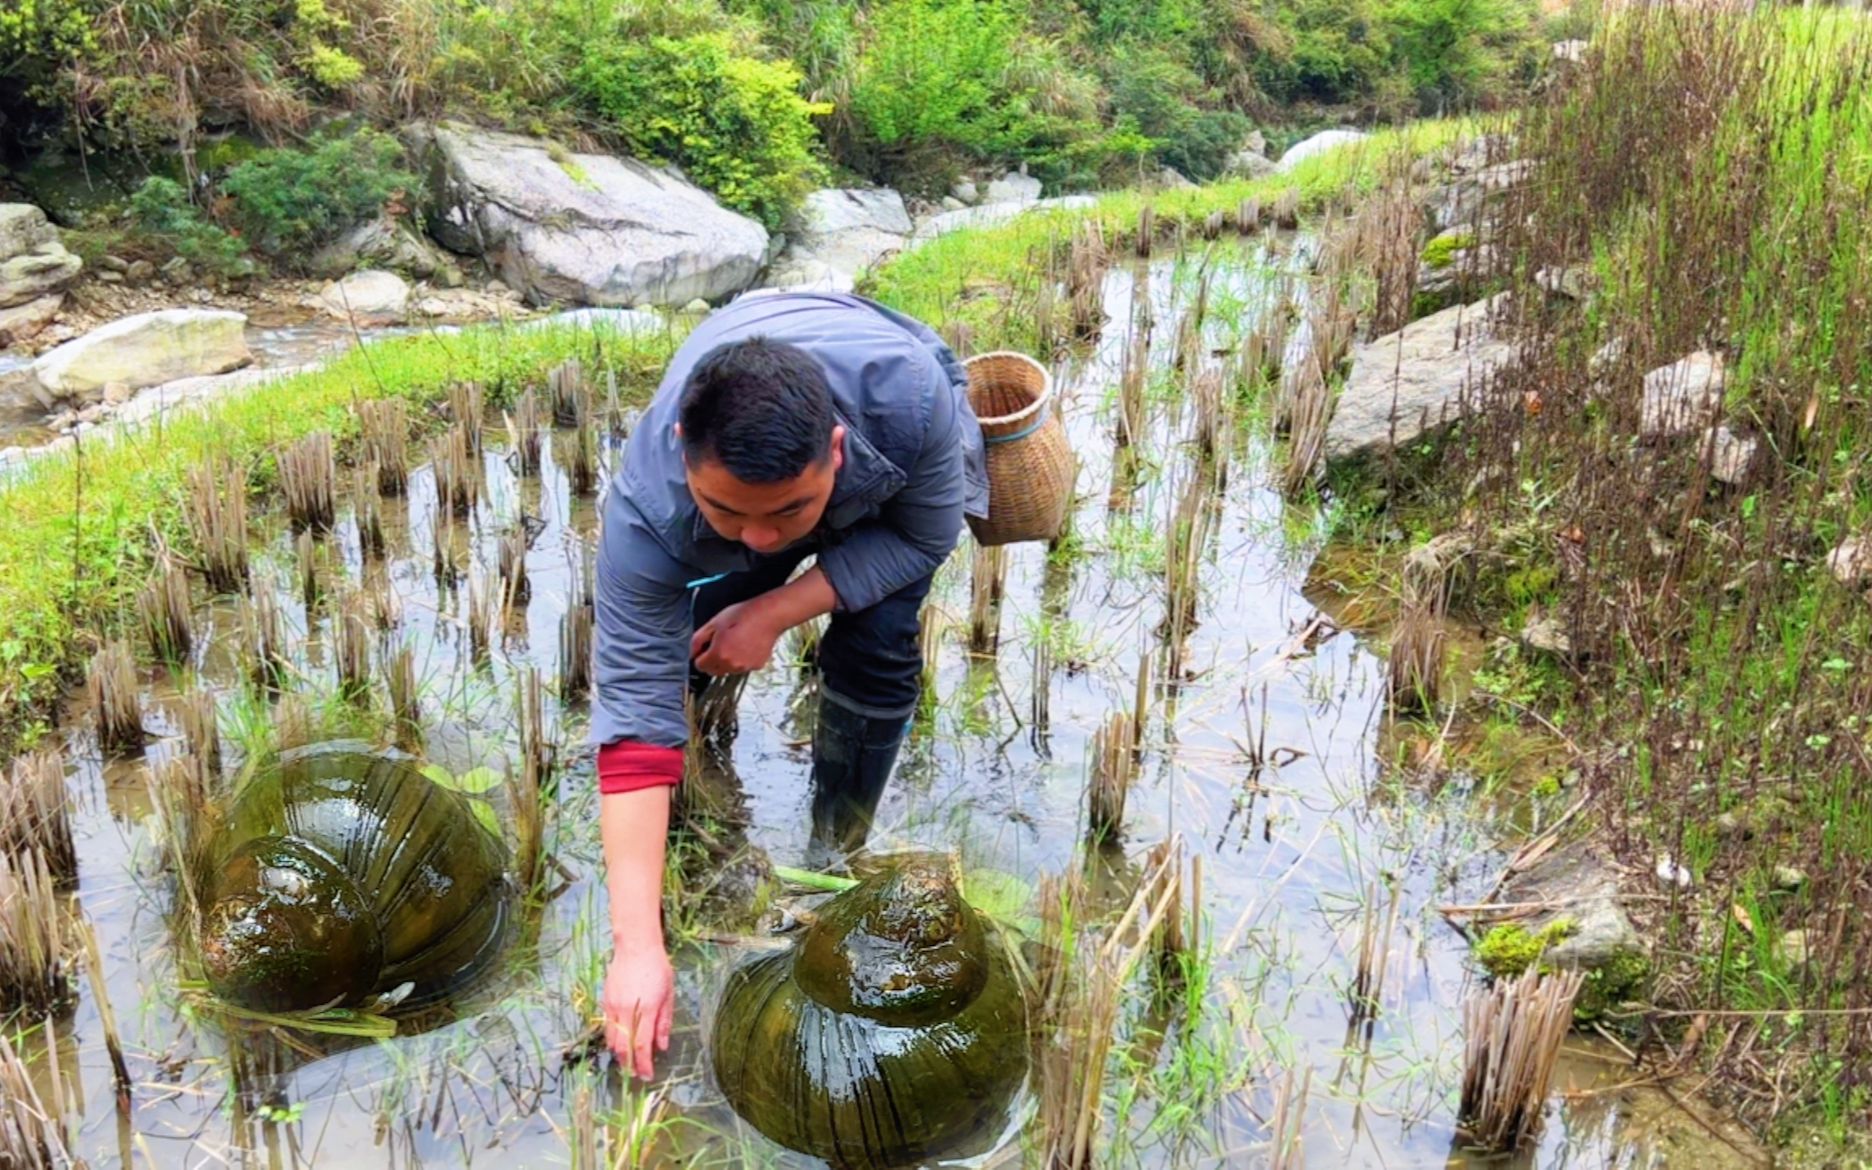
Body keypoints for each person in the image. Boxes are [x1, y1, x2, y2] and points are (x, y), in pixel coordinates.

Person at [589, 291, 987, 1079]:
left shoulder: (911, 400)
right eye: (728, 510)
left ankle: (837, 846)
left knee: (877, 642)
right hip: (746, 387)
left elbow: (921, 535)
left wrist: (776, 609)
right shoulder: (647, 511)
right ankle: (687, 806)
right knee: (694, 623)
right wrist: (637, 947)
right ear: (681, 452)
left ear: (835, 450)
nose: (763, 537)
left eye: (790, 509)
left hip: (887, 455)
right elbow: (630, 717)